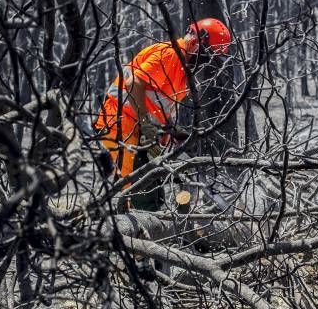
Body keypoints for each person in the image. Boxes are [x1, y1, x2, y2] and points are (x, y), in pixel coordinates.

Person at [95, 18, 232, 210]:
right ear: (196, 42)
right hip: (119, 122)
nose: (206, 63)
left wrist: (173, 132)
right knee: (131, 192)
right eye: (207, 56)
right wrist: (145, 123)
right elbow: (133, 83)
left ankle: (150, 231)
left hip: (138, 128)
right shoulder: (169, 54)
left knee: (152, 193)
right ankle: (119, 234)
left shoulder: (185, 73)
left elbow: (159, 105)